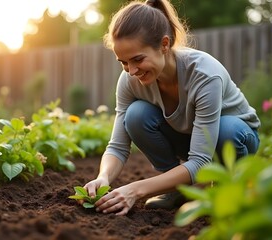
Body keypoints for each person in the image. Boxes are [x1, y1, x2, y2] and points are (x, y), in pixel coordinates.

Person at [82, 0, 260, 216]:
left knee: (226, 130)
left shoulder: (204, 75)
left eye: (138, 59)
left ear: (164, 44)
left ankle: (231, 184)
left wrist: (135, 190)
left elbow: (200, 161)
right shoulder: (129, 80)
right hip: (192, 138)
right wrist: (104, 177)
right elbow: (118, 146)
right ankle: (174, 188)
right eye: (124, 62)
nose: (131, 71)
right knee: (136, 115)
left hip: (236, 138)